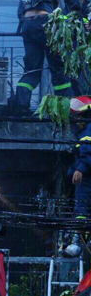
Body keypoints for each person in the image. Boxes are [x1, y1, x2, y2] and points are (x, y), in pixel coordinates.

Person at [12, 0, 81, 115]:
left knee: (31, 71)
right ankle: (63, 111)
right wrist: (82, 19)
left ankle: (20, 108)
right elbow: (74, 1)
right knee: (58, 71)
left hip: (28, 26)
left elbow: (19, 12)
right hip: (48, 26)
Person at [62, 96, 91, 257]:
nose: (75, 121)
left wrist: (79, 169)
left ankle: (78, 241)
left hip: (87, 177)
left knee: (81, 210)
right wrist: (71, 171)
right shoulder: (84, 132)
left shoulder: (88, 130)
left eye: (77, 117)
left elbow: (87, 153)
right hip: (86, 175)